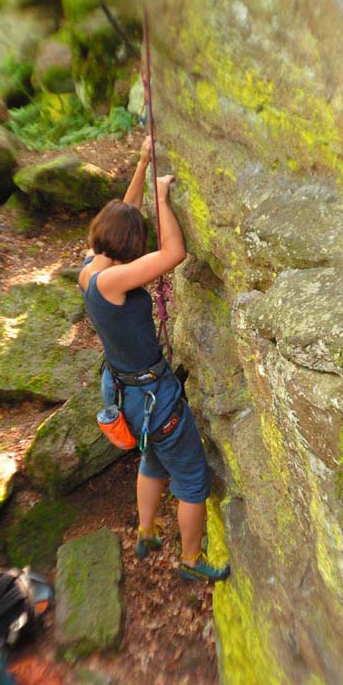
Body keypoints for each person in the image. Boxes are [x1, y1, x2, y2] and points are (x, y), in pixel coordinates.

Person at [79, 137, 230, 584]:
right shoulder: (115, 281)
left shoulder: (90, 268)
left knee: (153, 460)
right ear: (128, 248)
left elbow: (123, 216)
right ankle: (190, 560)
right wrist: (162, 197)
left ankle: (145, 531)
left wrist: (143, 162)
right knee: (192, 480)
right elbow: (172, 255)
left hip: (128, 393)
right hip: (155, 397)